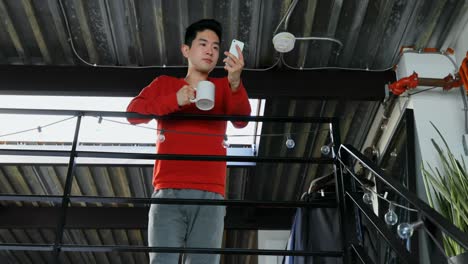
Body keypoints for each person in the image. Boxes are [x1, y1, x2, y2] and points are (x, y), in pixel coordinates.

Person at [126, 19, 251, 264]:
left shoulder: (225, 87)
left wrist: (236, 82)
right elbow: (133, 113)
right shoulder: (165, 84)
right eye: (203, 44)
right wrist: (174, 100)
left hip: (212, 193)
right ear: (186, 50)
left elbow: (242, 120)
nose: (210, 51)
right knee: (162, 261)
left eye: (216, 47)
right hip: (167, 191)